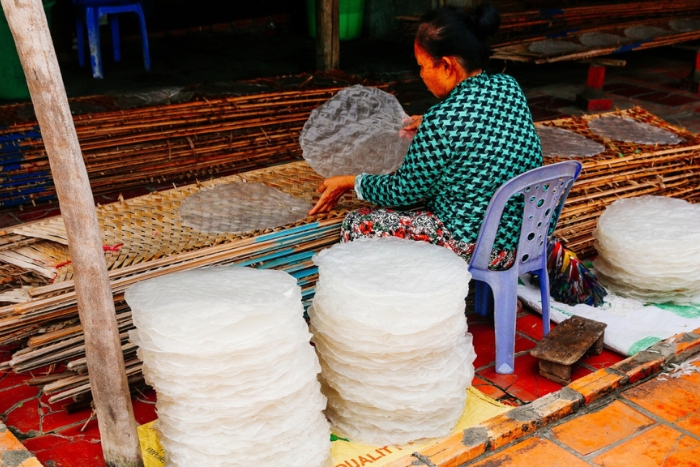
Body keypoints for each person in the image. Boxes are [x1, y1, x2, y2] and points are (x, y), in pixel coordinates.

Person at [308, 5, 606, 306]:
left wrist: (349, 181)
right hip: (528, 237)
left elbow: (402, 191)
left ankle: (386, 309)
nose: (421, 74)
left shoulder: (443, 120)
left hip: (479, 247)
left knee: (357, 223)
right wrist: (429, 123)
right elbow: (484, 125)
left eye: (423, 66)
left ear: (448, 66)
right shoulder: (509, 87)